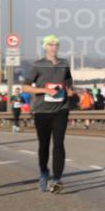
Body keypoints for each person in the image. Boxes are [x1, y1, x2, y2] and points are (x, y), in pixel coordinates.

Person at [21, 35, 74, 193]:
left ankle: (57, 179)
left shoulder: (64, 64)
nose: (54, 47)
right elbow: (25, 87)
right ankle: (44, 171)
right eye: (50, 44)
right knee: (43, 145)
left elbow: (69, 81)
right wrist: (45, 90)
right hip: (42, 111)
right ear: (45, 47)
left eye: (56, 44)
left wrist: (70, 90)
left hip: (61, 109)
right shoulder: (38, 65)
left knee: (59, 144)